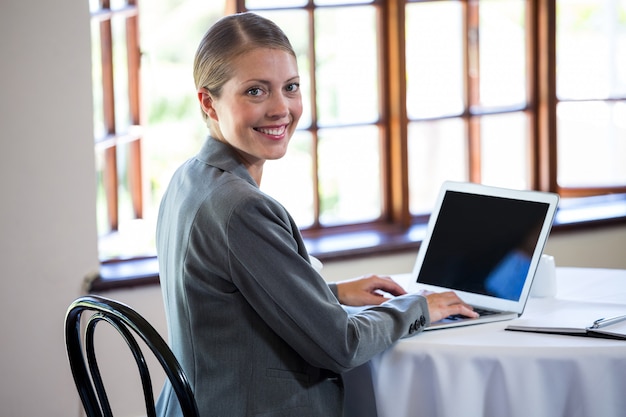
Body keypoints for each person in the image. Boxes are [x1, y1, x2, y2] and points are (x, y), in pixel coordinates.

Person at [155, 12, 478, 417]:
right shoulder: (242, 208)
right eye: (256, 92)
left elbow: (227, 298)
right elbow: (341, 346)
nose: (281, 108)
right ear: (209, 102)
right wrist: (419, 308)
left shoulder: (189, 179)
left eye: (290, 87)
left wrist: (331, 293)